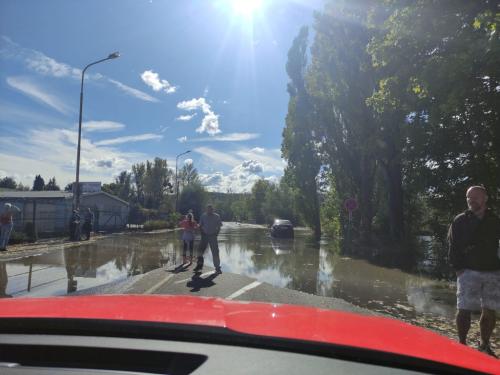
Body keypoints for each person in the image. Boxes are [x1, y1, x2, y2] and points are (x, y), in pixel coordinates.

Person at [448, 185, 500, 358]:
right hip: (467, 271)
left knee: (490, 310)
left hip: (493, 272)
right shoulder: (460, 220)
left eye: (475, 197)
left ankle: (485, 344)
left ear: (485, 199)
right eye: (469, 197)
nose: (471, 200)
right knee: (463, 309)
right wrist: (458, 268)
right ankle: (462, 344)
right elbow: (453, 245)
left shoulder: (495, 219)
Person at [195, 204, 223, 273]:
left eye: (211, 209)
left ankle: (217, 267)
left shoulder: (217, 216)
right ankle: (199, 266)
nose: (209, 210)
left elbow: (219, 226)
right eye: (208, 209)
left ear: (212, 210)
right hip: (204, 236)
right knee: (199, 251)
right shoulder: (203, 216)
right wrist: (201, 232)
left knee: (215, 252)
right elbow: (200, 225)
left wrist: (216, 233)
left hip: (213, 236)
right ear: (206, 209)